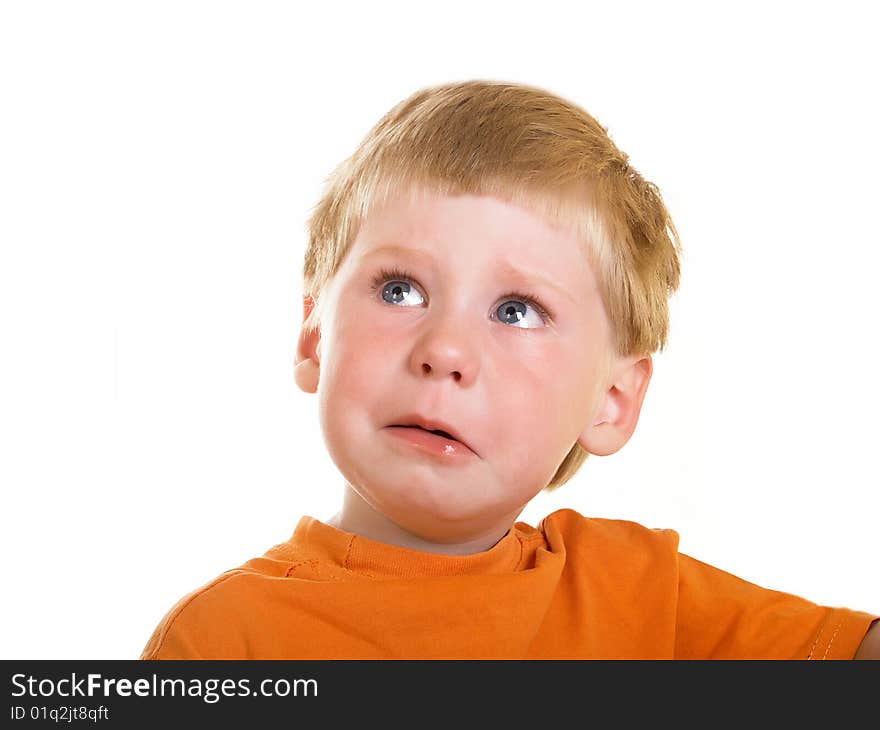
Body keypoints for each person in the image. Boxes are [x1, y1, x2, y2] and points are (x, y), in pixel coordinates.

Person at [140, 80, 879, 660]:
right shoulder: (223, 644)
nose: (446, 351)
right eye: (400, 290)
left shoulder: (637, 594)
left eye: (517, 310)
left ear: (614, 401)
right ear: (313, 337)